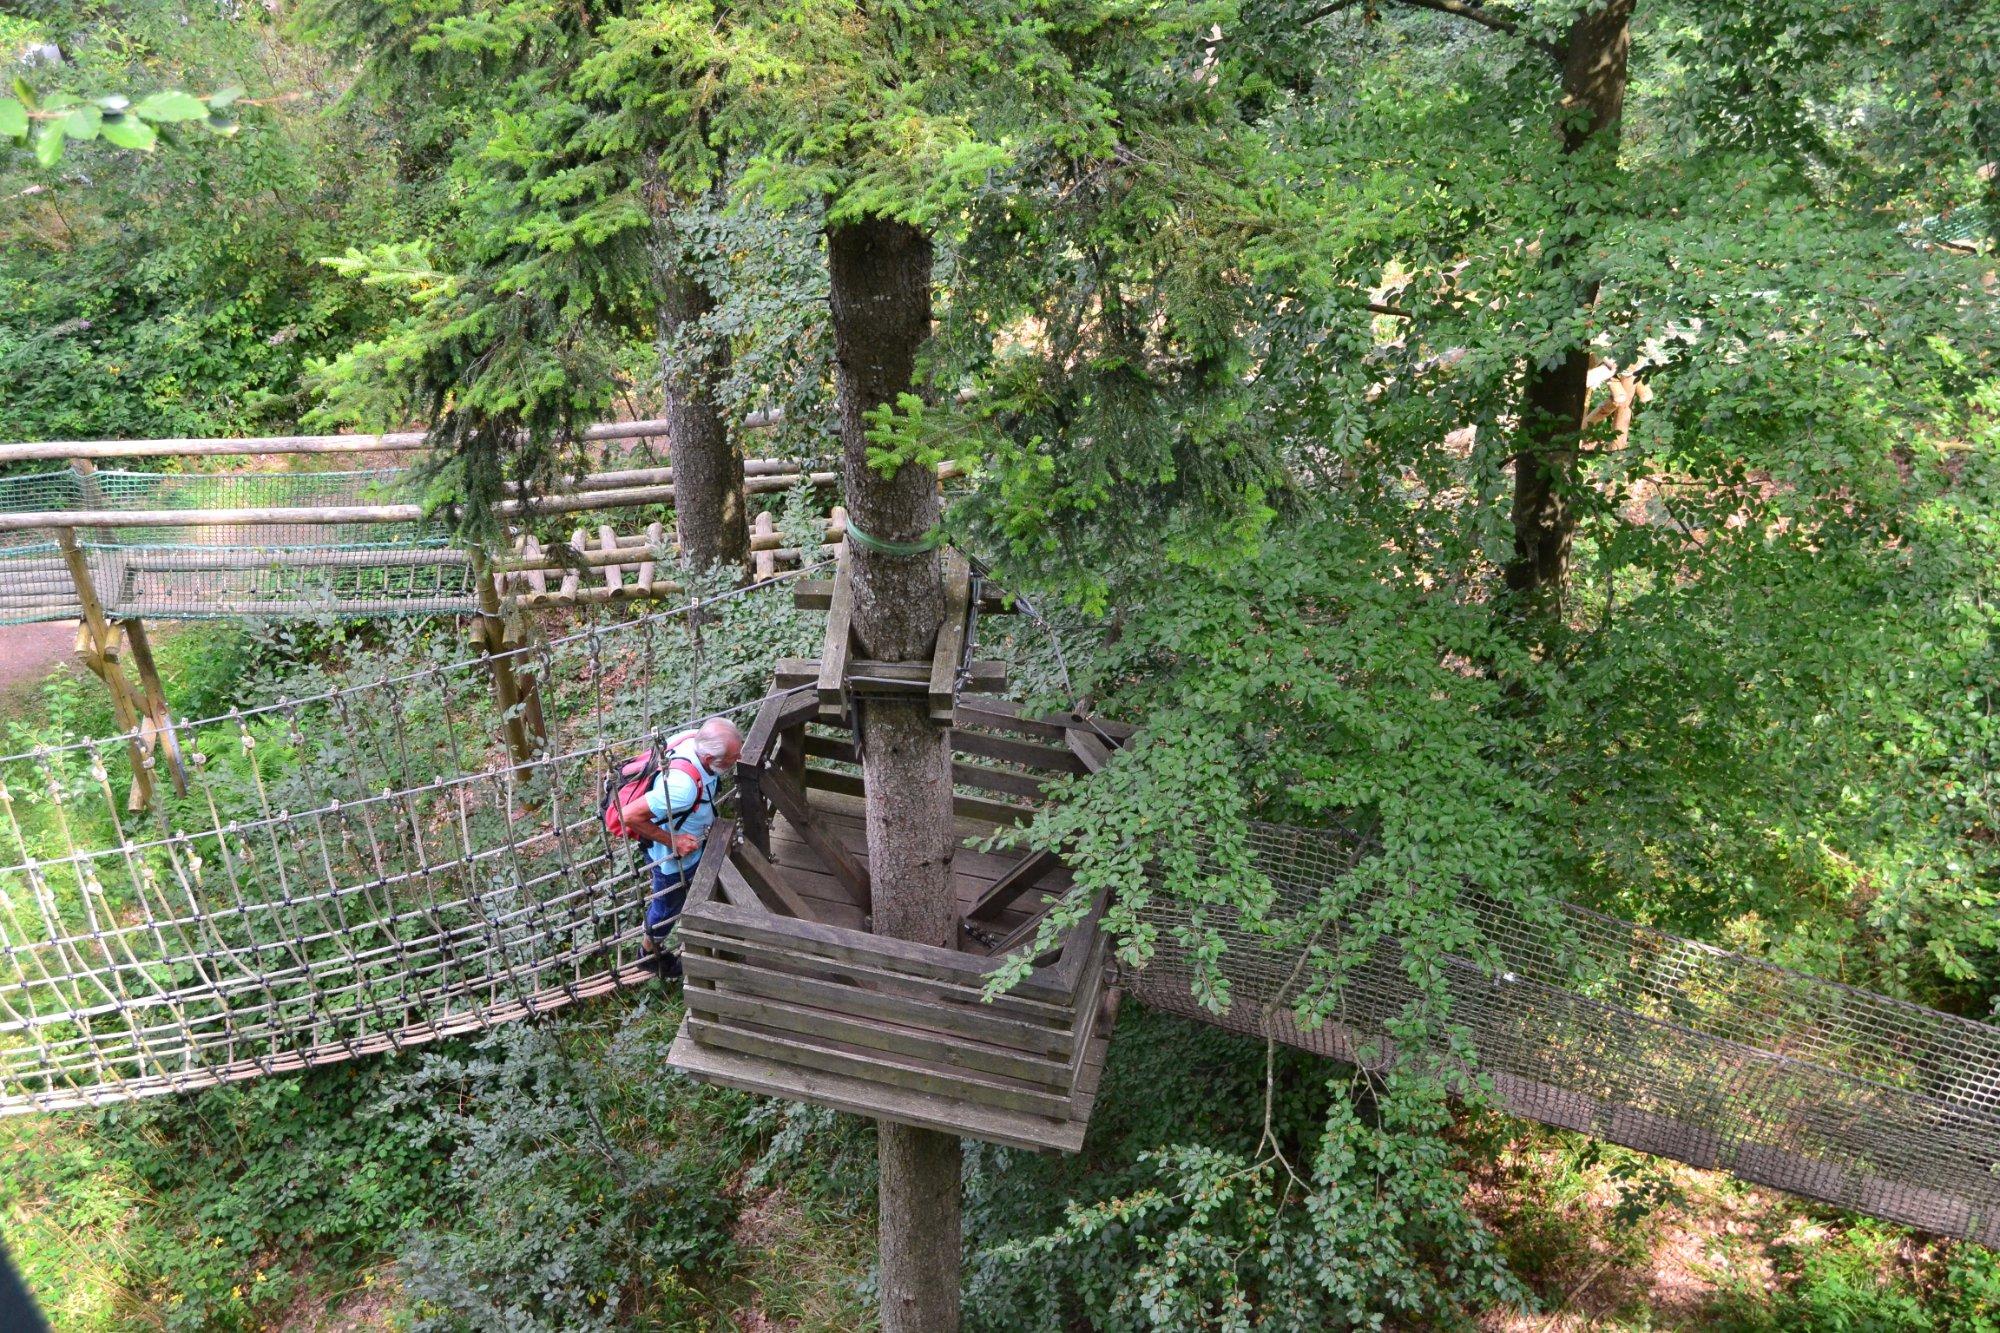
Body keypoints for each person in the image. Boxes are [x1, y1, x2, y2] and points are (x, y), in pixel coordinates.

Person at [621, 716, 742, 978]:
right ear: (710, 760)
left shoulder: (693, 739)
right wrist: (672, 841)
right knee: (667, 906)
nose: (738, 758)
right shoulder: (682, 788)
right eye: (734, 757)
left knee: (698, 887)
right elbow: (628, 815)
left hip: (696, 840)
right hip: (673, 860)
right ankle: (648, 955)